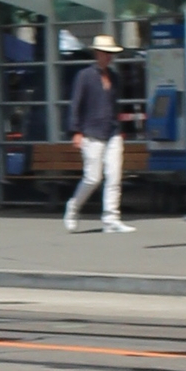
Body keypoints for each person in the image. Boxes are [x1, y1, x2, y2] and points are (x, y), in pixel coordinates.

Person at [65, 36, 131, 236]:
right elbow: (76, 103)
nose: (109, 57)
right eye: (105, 53)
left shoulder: (114, 77)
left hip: (112, 131)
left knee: (114, 175)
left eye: (111, 54)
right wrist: (76, 131)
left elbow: (114, 104)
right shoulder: (85, 76)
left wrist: (119, 128)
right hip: (91, 132)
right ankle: (73, 207)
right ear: (97, 53)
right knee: (93, 178)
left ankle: (111, 218)